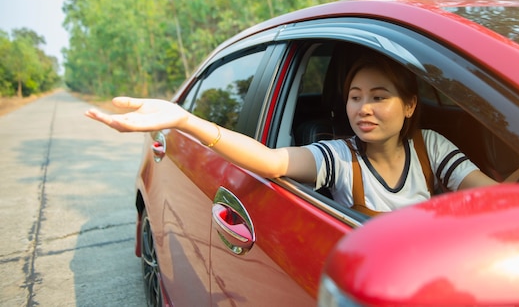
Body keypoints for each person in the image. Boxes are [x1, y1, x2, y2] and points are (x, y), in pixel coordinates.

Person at [85, 53, 497, 216]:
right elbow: (272, 160)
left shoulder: (431, 147)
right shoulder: (339, 157)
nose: (363, 108)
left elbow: (496, 198)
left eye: (378, 96)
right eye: (354, 97)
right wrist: (184, 120)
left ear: (409, 105)